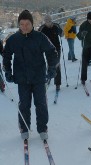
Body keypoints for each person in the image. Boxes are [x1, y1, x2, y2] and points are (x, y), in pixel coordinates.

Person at [3, 10, 58, 140]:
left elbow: (52, 52)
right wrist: (8, 71)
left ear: (32, 24)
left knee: (41, 104)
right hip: (22, 78)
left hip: (39, 77)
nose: (24, 26)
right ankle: (24, 127)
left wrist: (51, 69)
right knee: (24, 105)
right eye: (21, 24)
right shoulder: (13, 39)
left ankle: (42, 127)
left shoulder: (40, 37)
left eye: (27, 23)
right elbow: (6, 55)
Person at [39, 15, 63, 90]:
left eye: (49, 21)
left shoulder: (56, 26)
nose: (48, 23)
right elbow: (38, 37)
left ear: (51, 21)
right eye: (46, 21)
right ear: (44, 21)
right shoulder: (42, 28)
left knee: (57, 65)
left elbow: (62, 34)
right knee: (50, 64)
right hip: (48, 49)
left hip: (57, 48)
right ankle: (49, 77)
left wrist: (61, 31)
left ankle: (57, 83)